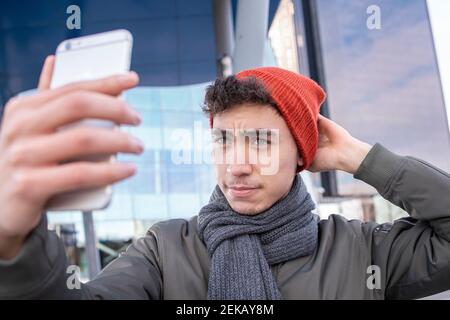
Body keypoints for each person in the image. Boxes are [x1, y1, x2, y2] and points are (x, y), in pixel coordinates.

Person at [0, 58, 449, 300]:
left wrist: (358, 157)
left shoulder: (363, 251)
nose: (235, 163)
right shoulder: (165, 249)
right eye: (222, 141)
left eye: (259, 141)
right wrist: (13, 244)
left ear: (301, 157)